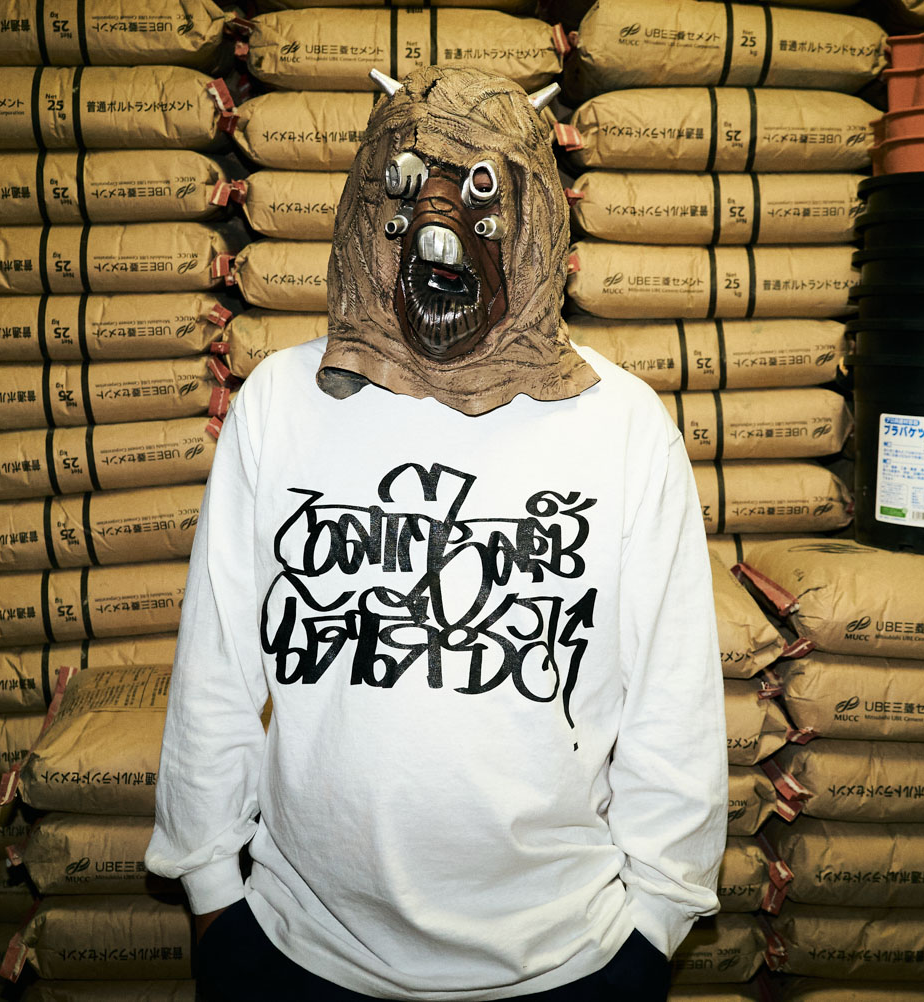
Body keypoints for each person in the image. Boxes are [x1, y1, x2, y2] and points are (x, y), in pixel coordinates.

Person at [146, 66, 728, 1001]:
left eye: (483, 190)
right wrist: (215, 896)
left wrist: (654, 925)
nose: (437, 220)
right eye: (411, 186)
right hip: (301, 952)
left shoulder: (621, 427)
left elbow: (674, 701)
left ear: (534, 221)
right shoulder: (282, 406)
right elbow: (216, 673)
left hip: (567, 960)